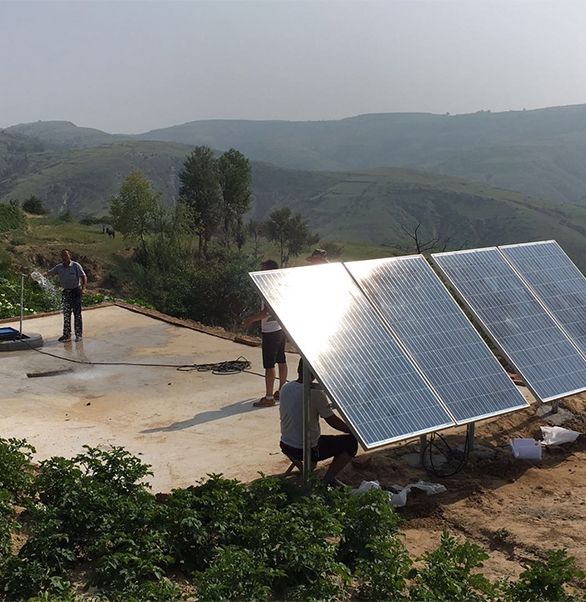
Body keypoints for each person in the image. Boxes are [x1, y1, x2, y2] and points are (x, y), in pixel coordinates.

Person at [279, 358, 358, 487]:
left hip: (286, 444)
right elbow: (332, 421)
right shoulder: (315, 392)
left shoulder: (285, 387)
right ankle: (328, 479)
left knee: (316, 438)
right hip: (307, 449)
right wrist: (354, 431)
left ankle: (306, 470)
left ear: (298, 369)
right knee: (351, 443)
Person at [243, 259, 288, 407]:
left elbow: (267, 312)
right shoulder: (280, 286)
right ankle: (282, 390)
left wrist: (251, 319)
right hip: (280, 328)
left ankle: (269, 397)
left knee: (269, 364)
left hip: (271, 331)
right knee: (281, 359)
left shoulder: (269, 289)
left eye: (263, 271)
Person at [46, 249, 87, 342]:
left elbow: (83, 276)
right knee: (66, 314)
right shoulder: (59, 267)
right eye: (62, 256)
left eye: (66, 255)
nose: (64, 257)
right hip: (66, 292)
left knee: (77, 314)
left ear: (70, 256)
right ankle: (66, 334)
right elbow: (49, 273)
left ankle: (78, 335)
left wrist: (83, 288)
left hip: (75, 292)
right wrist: (39, 275)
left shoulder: (76, 265)